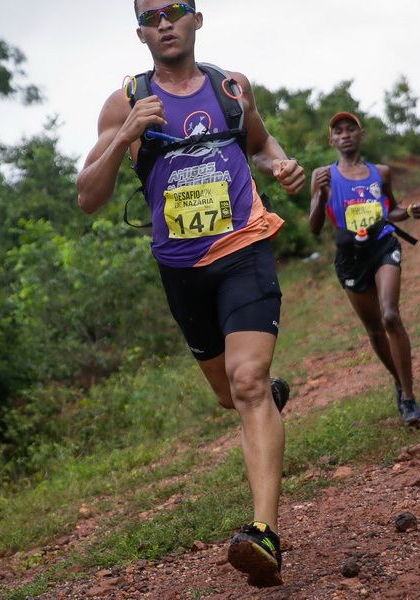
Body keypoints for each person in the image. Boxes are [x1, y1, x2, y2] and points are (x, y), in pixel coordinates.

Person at [76, 0, 305, 588]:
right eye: (152, 15)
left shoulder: (231, 87)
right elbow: (87, 195)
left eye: (176, 9)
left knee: (249, 383)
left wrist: (280, 164)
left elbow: (258, 140)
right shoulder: (125, 100)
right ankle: (265, 401)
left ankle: (265, 536)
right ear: (141, 32)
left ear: (196, 20)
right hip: (181, 269)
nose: (165, 21)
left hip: (243, 252)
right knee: (233, 395)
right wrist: (126, 132)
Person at [308, 112, 420, 426]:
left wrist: (410, 211)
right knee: (374, 328)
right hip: (349, 256)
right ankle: (399, 381)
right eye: (338, 131)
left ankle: (409, 398)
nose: (345, 135)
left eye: (351, 129)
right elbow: (313, 227)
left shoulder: (380, 172)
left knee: (390, 315)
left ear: (362, 135)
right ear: (331, 140)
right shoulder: (323, 175)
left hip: (383, 245)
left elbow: (394, 209)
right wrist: (320, 195)